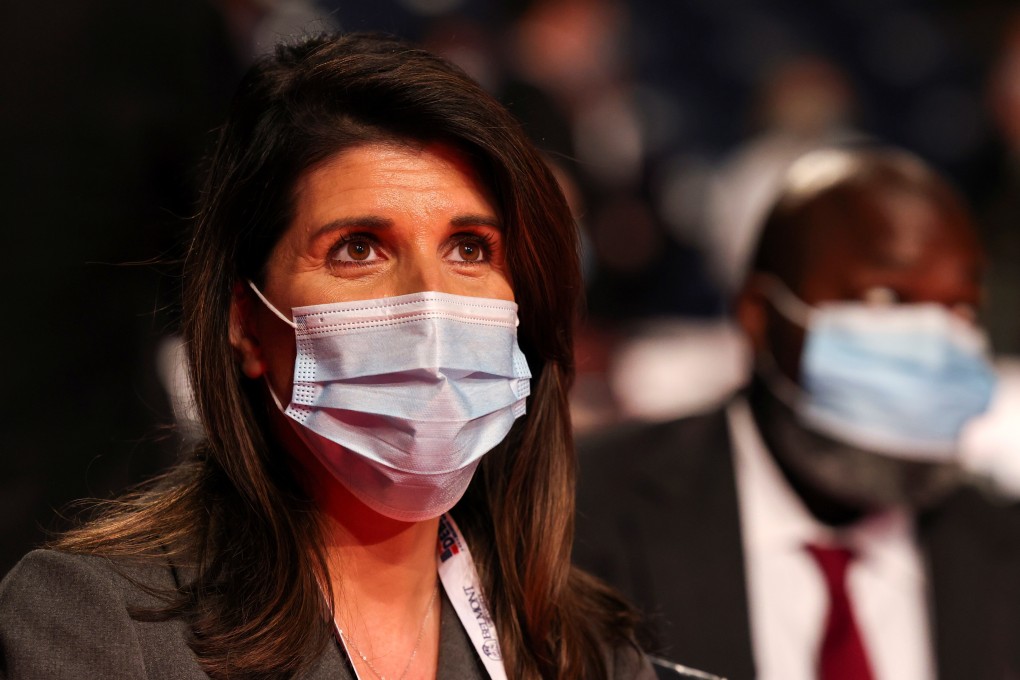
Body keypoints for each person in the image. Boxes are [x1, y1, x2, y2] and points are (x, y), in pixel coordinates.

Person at [0, 33, 661, 680]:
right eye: (358, 248)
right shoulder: (100, 622)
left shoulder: (585, 652)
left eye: (469, 249)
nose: (429, 305)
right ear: (245, 322)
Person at [574, 147, 1020, 680]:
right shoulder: (583, 514)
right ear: (759, 316)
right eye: (883, 298)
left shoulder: (1002, 544)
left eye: (961, 307)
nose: (935, 338)